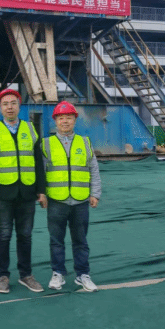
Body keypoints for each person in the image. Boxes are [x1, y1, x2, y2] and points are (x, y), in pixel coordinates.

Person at [0, 88, 46, 294]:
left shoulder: (31, 129)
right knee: (3, 234)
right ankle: (3, 276)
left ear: (19, 106)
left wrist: (41, 190)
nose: (9, 107)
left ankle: (26, 275)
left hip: (27, 192)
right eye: (5, 104)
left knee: (25, 235)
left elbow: (38, 162)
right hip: (3, 193)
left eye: (13, 103)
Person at [39, 101, 102, 292]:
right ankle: (58, 273)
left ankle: (83, 275)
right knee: (56, 240)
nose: (65, 121)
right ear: (55, 121)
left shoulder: (85, 142)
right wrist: (42, 194)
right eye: (61, 118)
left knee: (80, 240)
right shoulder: (46, 144)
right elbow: (41, 172)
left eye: (69, 117)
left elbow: (93, 169)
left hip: (80, 200)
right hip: (56, 200)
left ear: (75, 120)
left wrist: (95, 193)